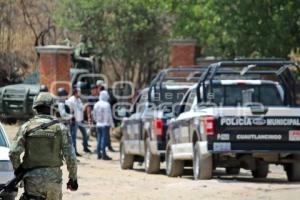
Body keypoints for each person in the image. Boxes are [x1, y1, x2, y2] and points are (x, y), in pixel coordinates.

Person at [9, 92, 78, 200]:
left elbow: (13, 153)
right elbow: (71, 158)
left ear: (35, 108)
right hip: (53, 182)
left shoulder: (26, 127)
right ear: (52, 108)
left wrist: (19, 172)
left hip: (32, 182)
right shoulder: (61, 128)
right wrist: (73, 179)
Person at [66, 88, 91, 156]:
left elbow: (81, 109)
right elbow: (68, 111)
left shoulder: (79, 100)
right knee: (73, 137)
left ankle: (85, 147)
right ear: (75, 93)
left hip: (80, 120)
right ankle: (74, 151)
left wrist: (85, 106)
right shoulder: (70, 100)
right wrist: (70, 119)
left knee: (85, 134)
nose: (80, 93)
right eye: (79, 92)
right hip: (74, 121)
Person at [93, 90, 115, 160]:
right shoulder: (107, 104)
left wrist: (97, 121)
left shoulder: (96, 104)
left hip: (98, 124)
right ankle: (104, 155)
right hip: (105, 125)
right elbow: (109, 116)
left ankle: (99, 154)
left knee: (99, 139)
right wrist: (112, 125)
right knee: (103, 140)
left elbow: (94, 115)